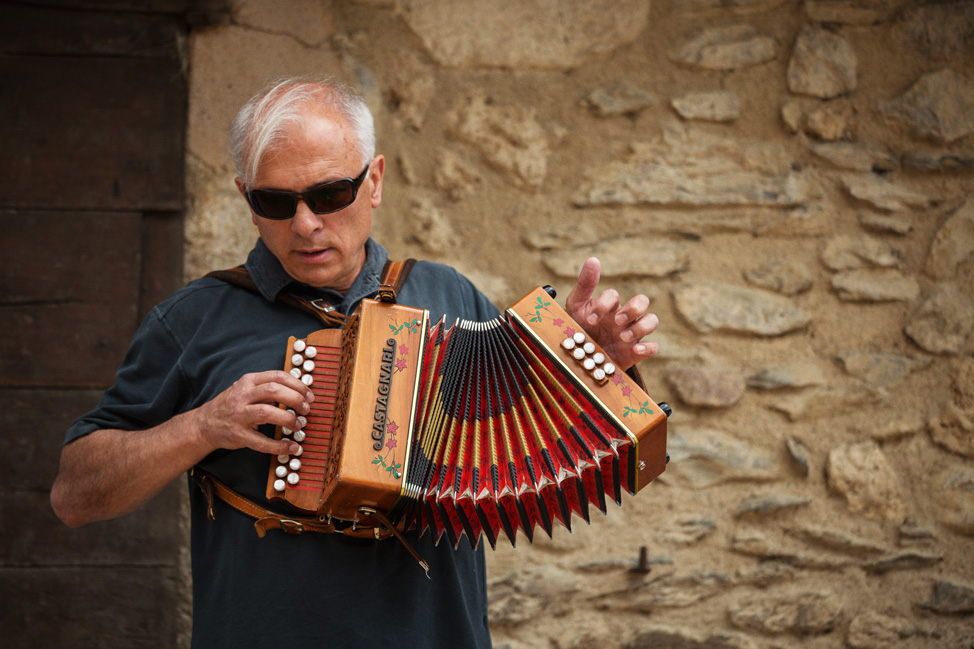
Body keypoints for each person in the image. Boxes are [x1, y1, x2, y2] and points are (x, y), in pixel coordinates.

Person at [50, 78, 660, 648]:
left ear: (375, 181)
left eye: (331, 193)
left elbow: (557, 453)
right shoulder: (192, 321)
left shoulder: (450, 297)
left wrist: (597, 372)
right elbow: (75, 495)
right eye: (276, 201)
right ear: (246, 199)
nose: (306, 224)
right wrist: (202, 426)